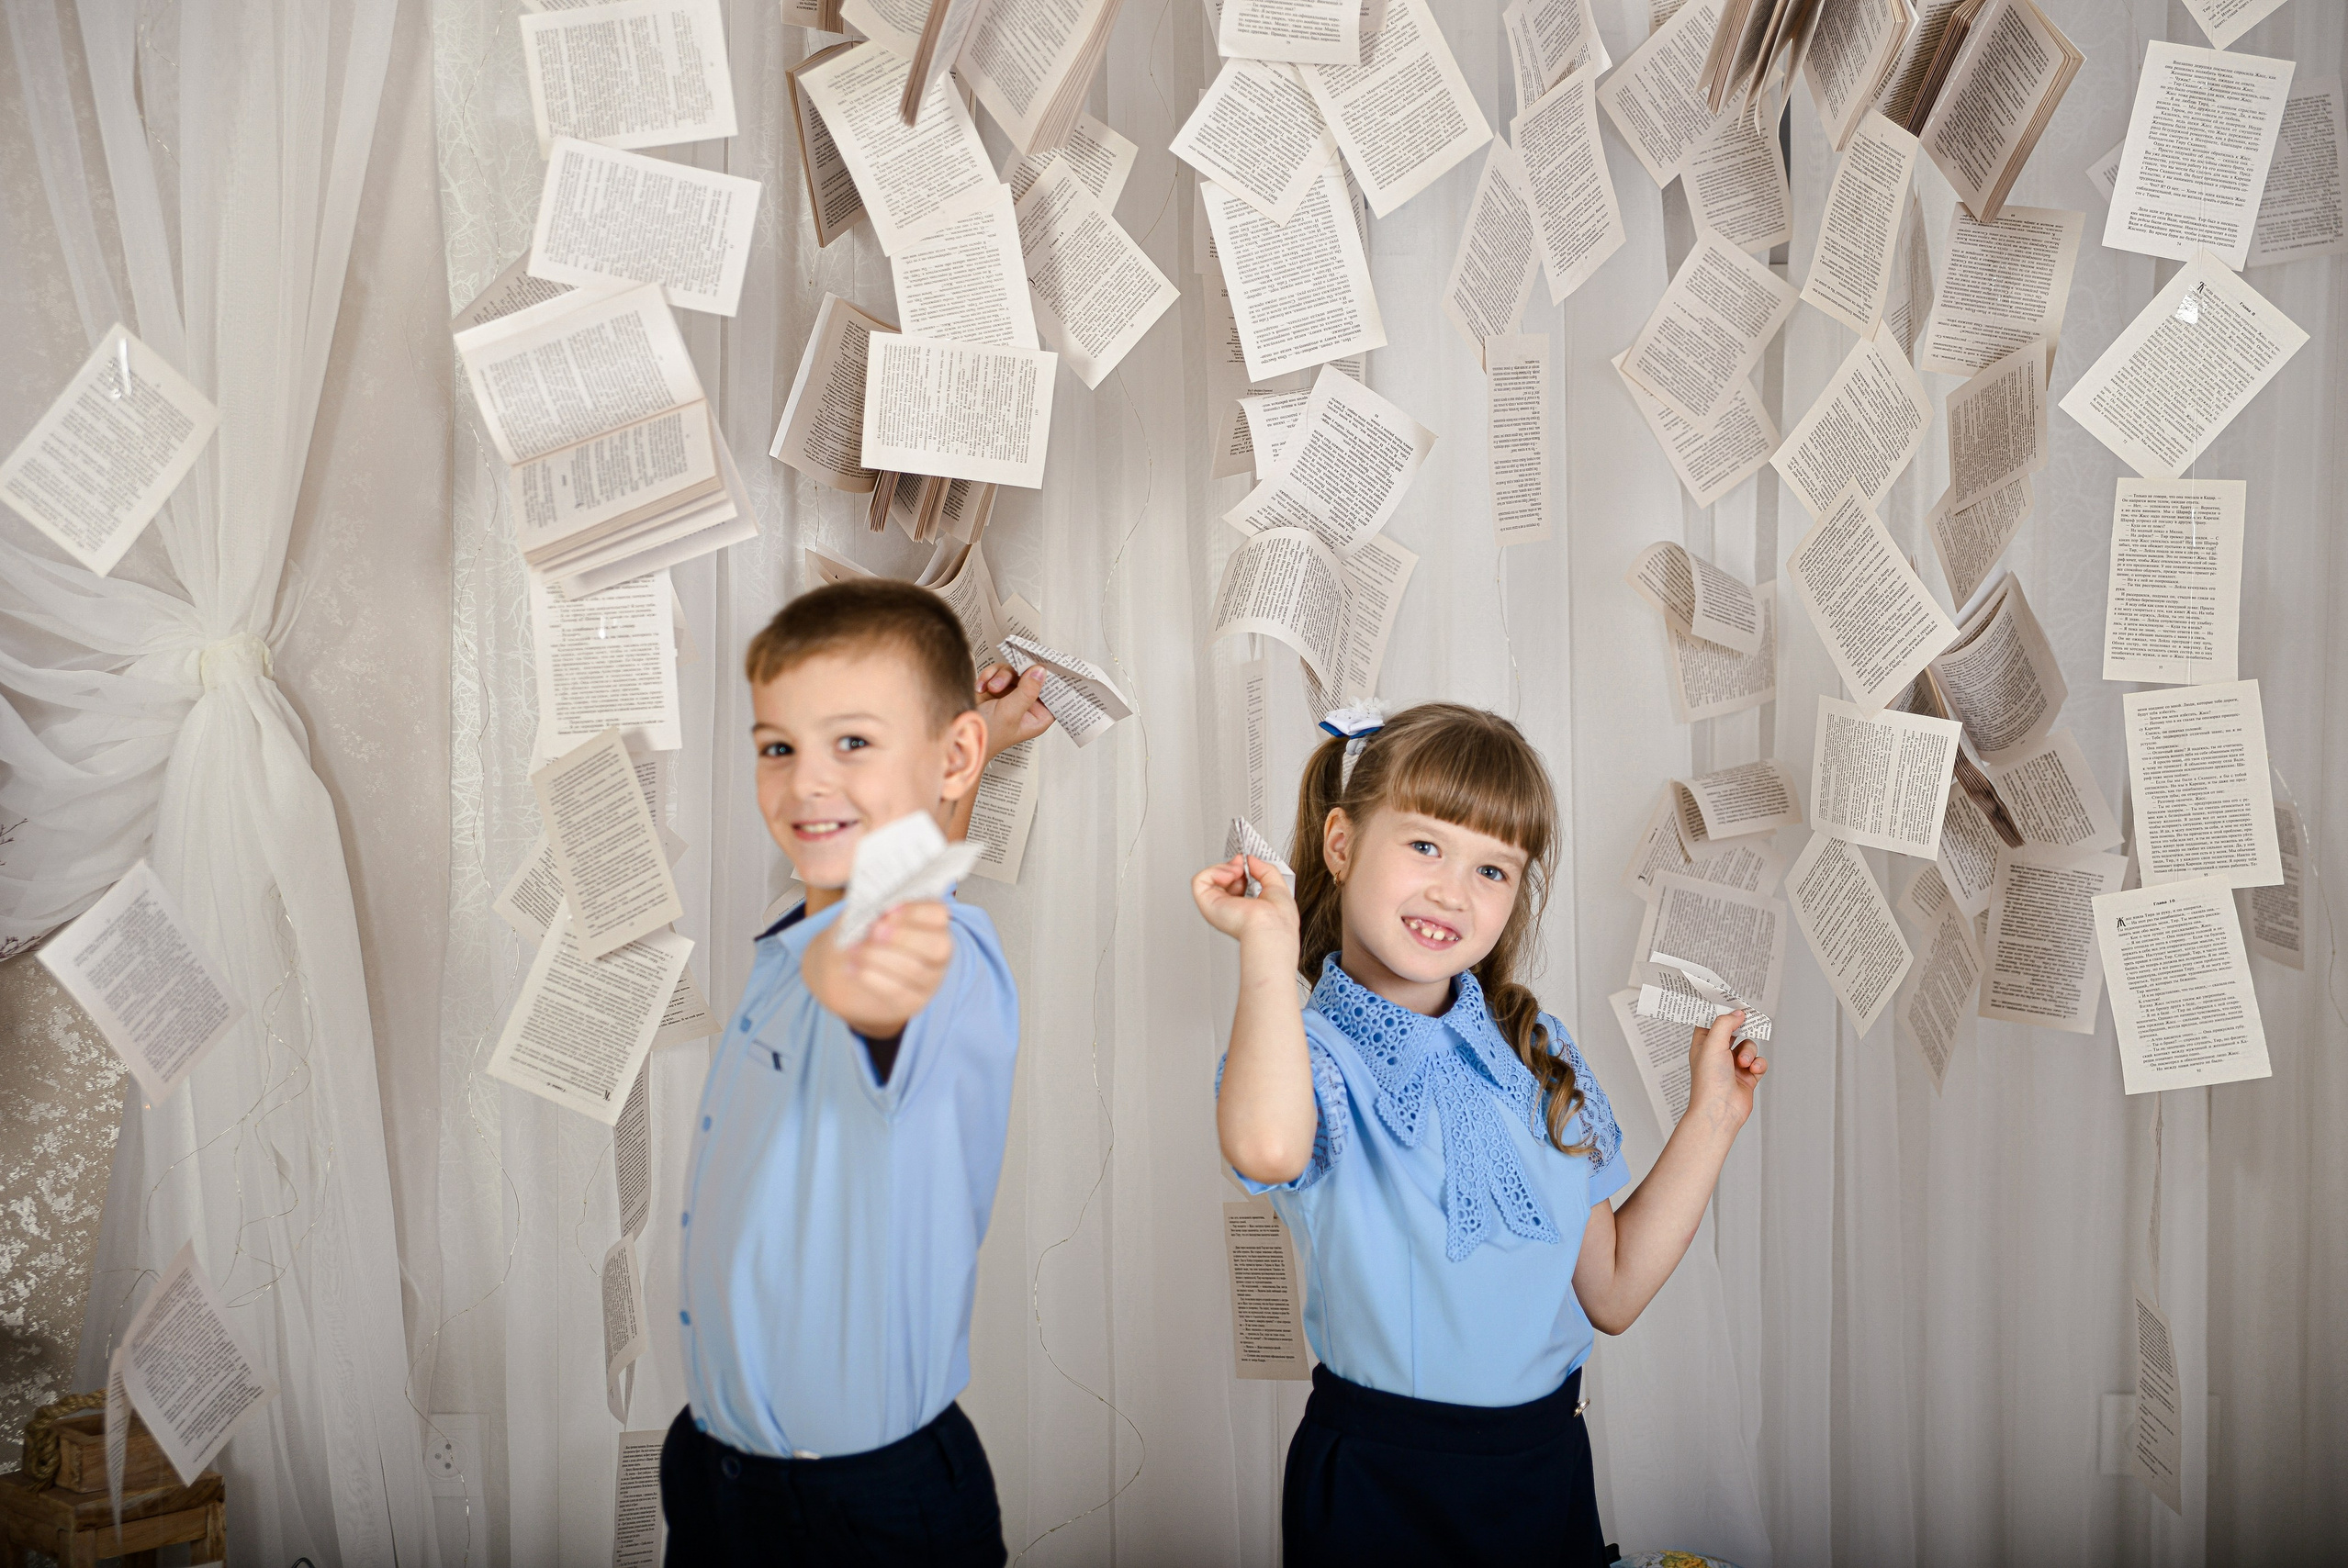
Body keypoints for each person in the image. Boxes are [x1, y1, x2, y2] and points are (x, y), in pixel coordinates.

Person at [1194, 703, 1769, 1566]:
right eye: (1425, 845)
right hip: (1383, 1486)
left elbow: (1610, 1290)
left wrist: (1713, 1116)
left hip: (1544, 1473)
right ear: (1341, 844)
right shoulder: (1306, 1053)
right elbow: (1268, 1150)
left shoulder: (1536, 1053)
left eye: (1494, 869)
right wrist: (1270, 948)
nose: (1453, 893)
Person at [661, 579, 1051, 1566]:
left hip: (857, 1511)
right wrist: (952, 766)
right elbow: (882, 883)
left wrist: (853, 962)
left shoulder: (936, 955)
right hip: (716, 1471)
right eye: (778, 746)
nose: (804, 784)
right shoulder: (802, 940)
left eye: (853, 742)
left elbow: (887, 974)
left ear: (945, 753)